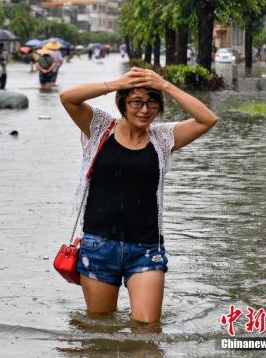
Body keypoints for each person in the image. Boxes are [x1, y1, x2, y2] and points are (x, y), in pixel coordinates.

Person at [59, 67, 218, 323]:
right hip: (99, 245)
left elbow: (207, 119)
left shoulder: (163, 137)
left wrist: (164, 85)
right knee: (100, 332)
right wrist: (117, 83)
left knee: (148, 331)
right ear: (123, 103)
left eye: (151, 102)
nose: (144, 110)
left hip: (146, 249)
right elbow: (68, 97)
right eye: (136, 102)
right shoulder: (100, 128)